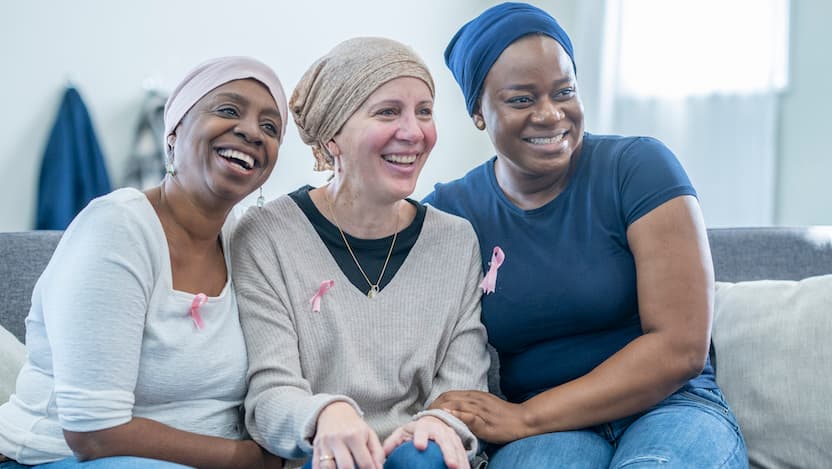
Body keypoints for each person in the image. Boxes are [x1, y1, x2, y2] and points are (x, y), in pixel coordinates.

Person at [423, 3, 748, 468]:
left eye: (564, 92)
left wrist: (524, 417)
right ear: (478, 110)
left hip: (670, 407)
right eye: (521, 100)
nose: (550, 114)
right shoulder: (452, 210)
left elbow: (680, 348)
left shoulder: (638, 168)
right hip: (551, 433)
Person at [0, 56, 288, 469]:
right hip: (61, 457)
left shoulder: (244, 240)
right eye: (228, 110)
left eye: (270, 127)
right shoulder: (117, 227)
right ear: (173, 133)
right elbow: (93, 433)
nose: (251, 132)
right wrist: (248, 459)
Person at [231, 37, 490, 469]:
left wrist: (440, 423)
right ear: (332, 136)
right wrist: (326, 414)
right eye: (388, 112)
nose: (414, 132)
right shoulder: (266, 234)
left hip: (419, 458)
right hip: (322, 456)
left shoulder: (455, 240)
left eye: (424, 111)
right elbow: (269, 395)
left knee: (425, 457)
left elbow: (463, 386)